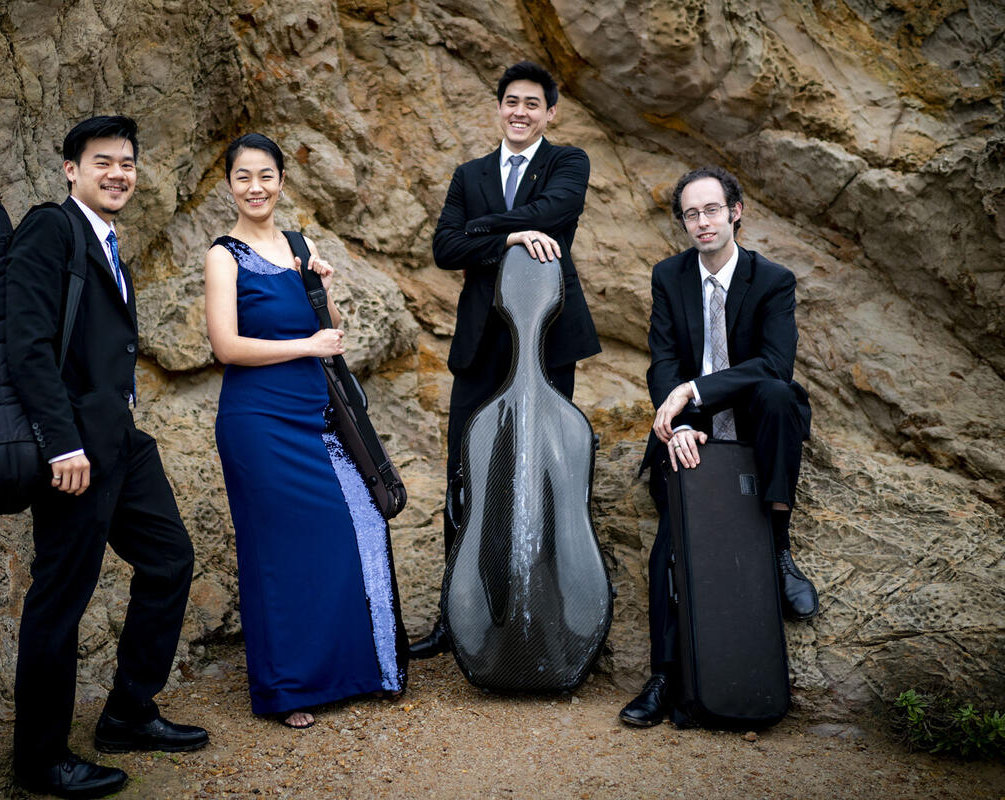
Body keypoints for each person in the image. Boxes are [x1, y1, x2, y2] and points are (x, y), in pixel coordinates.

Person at [6, 115, 208, 798]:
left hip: (121, 439)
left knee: (169, 558)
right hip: (75, 448)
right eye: (103, 162)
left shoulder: (108, 239)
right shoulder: (50, 230)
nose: (118, 173)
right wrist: (60, 442)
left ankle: (127, 711)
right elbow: (27, 346)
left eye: (127, 163)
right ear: (71, 169)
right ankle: (40, 760)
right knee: (60, 598)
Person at [203, 133, 408, 729]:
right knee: (278, 556)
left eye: (265, 175)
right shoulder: (225, 254)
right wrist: (305, 345)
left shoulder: (300, 243)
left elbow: (333, 331)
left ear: (282, 181)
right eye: (243, 177)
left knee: (359, 523)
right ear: (230, 186)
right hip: (257, 422)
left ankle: (358, 671)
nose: (255, 187)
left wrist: (320, 286)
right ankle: (287, 690)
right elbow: (226, 346)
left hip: (315, 416)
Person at [410, 61, 601, 659]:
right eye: (510, 102)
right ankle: (457, 616)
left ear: (550, 112)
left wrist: (487, 230)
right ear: (499, 108)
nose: (520, 112)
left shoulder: (568, 162)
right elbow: (445, 247)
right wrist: (514, 237)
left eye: (531, 104)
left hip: (547, 339)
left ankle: (543, 610)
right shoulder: (469, 173)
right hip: (480, 344)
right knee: (465, 475)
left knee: (545, 470)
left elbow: (555, 213)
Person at [620, 165, 819, 728]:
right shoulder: (669, 276)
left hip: (755, 416)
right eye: (691, 213)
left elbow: (775, 364)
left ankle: (778, 551)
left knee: (781, 395)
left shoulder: (773, 280)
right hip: (692, 425)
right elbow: (661, 358)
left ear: (736, 211)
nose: (701, 222)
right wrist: (679, 420)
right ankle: (663, 677)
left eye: (711, 209)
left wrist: (697, 387)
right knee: (672, 543)